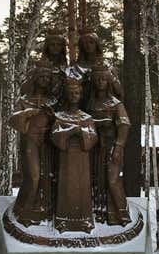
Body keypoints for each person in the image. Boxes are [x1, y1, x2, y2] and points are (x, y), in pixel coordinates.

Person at [9, 59, 56, 225]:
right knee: (33, 175)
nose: (45, 80)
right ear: (35, 78)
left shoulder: (53, 101)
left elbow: (62, 121)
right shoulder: (24, 100)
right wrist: (27, 113)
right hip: (31, 141)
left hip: (48, 143)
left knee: (47, 176)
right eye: (42, 76)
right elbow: (12, 119)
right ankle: (25, 210)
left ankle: (43, 209)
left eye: (48, 77)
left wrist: (53, 117)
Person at [51, 72, 97, 233]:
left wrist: (82, 133)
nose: (74, 96)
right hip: (65, 159)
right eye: (71, 93)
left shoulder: (87, 118)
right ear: (66, 94)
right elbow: (55, 137)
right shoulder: (59, 116)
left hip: (82, 160)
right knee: (66, 187)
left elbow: (93, 138)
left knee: (82, 187)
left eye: (77, 93)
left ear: (81, 95)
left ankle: (83, 220)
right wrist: (70, 132)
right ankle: (64, 220)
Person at [88, 64, 131, 225]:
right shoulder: (90, 104)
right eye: (97, 79)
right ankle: (100, 213)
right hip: (94, 149)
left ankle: (121, 214)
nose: (100, 82)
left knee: (112, 180)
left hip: (111, 147)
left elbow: (124, 124)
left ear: (108, 82)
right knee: (97, 181)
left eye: (104, 79)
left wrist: (119, 146)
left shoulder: (115, 104)